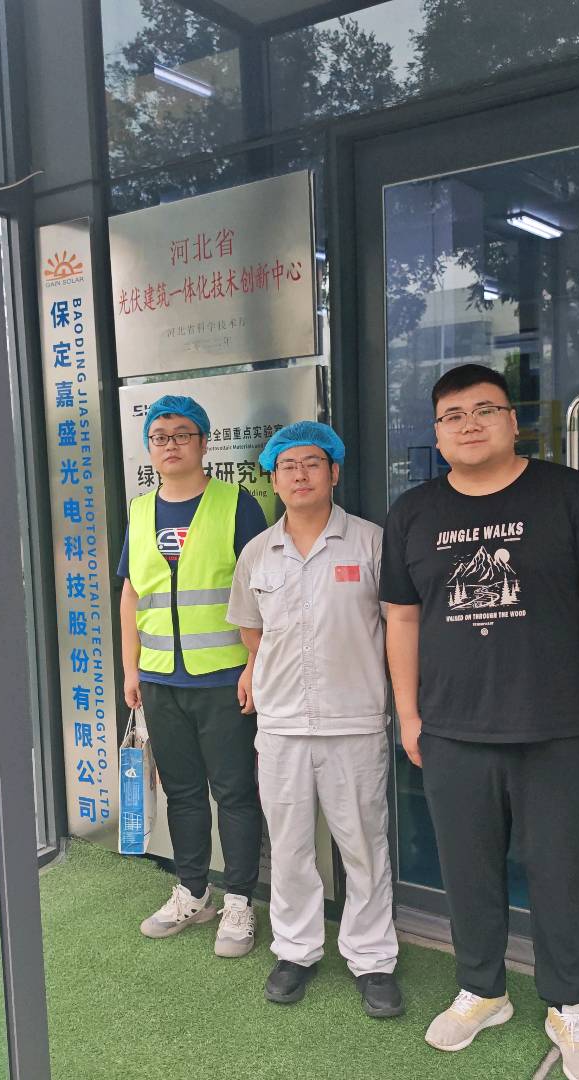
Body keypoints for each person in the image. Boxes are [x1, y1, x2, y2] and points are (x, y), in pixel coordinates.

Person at [380, 364, 579, 1080]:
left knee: (561, 872)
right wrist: (409, 715)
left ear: (512, 421)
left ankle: (569, 1005)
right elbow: (402, 620)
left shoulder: (567, 495)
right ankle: (482, 990)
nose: (468, 424)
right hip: (452, 729)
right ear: (437, 434)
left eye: (484, 410)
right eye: (452, 416)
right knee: (468, 873)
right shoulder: (413, 512)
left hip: (556, 727)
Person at [227, 421, 403, 1018]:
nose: (300, 475)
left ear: (334, 472)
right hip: (280, 724)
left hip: (355, 720)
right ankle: (295, 951)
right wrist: (255, 670)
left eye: (311, 463)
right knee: (291, 846)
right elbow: (252, 630)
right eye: (287, 466)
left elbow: (399, 627)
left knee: (364, 846)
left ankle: (372, 958)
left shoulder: (371, 543)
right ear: (274, 480)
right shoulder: (257, 552)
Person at [119, 394, 268, 957]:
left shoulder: (237, 505)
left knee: (234, 793)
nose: (171, 445)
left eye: (183, 434)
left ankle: (240, 901)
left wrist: (254, 666)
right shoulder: (139, 510)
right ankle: (192, 891)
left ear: (204, 443)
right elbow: (131, 594)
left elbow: (263, 591)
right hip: (160, 680)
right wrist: (131, 669)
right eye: (160, 437)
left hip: (224, 678)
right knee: (181, 792)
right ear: (149, 448)